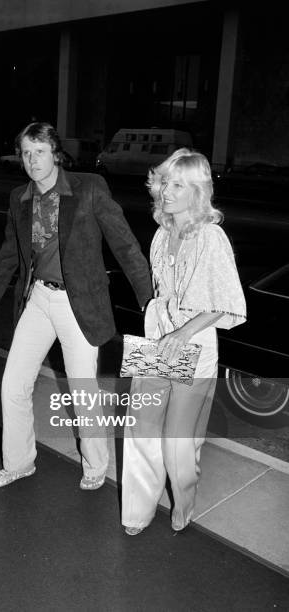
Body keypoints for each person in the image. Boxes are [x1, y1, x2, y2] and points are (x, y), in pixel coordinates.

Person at [0, 122, 152, 491]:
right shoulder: (20, 198)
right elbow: (7, 257)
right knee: (12, 384)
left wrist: (149, 299)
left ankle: (95, 465)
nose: (32, 160)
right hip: (38, 300)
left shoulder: (89, 188)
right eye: (26, 153)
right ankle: (19, 463)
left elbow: (125, 246)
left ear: (56, 153)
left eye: (40, 152)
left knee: (83, 390)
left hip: (77, 303)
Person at [121, 148, 246, 535]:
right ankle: (137, 512)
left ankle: (184, 497)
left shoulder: (212, 236)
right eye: (164, 182)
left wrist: (183, 331)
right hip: (158, 341)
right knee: (142, 429)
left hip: (195, 347)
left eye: (177, 185)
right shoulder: (161, 233)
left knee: (178, 445)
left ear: (197, 191)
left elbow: (228, 301)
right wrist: (159, 321)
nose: (166, 191)